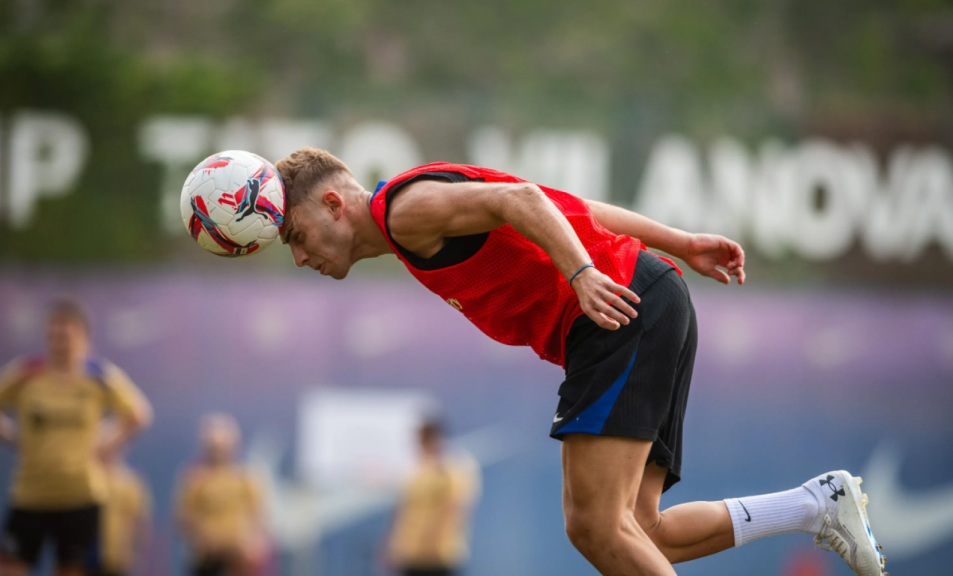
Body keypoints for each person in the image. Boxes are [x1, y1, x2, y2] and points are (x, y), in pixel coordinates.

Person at [272, 148, 887, 576]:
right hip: (645, 294)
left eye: (296, 235)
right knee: (641, 530)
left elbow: (521, 198)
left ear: (333, 204)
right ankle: (815, 504)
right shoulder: (409, 209)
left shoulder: (403, 212)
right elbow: (567, 206)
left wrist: (583, 273)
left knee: (594, 526)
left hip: (616, 308)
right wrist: (681, 242)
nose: (299, 257)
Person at [0, 298, 153, 576]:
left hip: (80, 496)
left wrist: (108, 440)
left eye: (67, 334)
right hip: (30, 495)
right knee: (7, 567)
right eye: (54, 334)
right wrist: (11, 435)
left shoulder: (98, 376)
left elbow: (139, 413)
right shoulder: (27, 373)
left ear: (84, 337)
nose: (60, 341)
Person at [176, 413, 267, 576]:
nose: (219, 452)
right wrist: (202, 538)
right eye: (214, 447)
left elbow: (258, 518)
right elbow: (184, 519)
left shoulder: (244, 478)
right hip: (206, 560)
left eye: (223, 447)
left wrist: (251, 544)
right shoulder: (195, 479)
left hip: (238, 561)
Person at [387, 419, 480, 576]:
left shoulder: (454, 466)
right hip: (412, 553)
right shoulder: (419, 469)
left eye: (423, 441)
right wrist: (394, 545)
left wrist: (431, 538)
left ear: (435, 439)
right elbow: (405, 510)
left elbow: (455, 507)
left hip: (440, 554)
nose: (420, 447)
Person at [98, 445, 152, 576]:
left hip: (119, 556)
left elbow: (140, 520)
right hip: (89, 556)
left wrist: (138, 552)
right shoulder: (89, 481)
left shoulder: (129, 482)